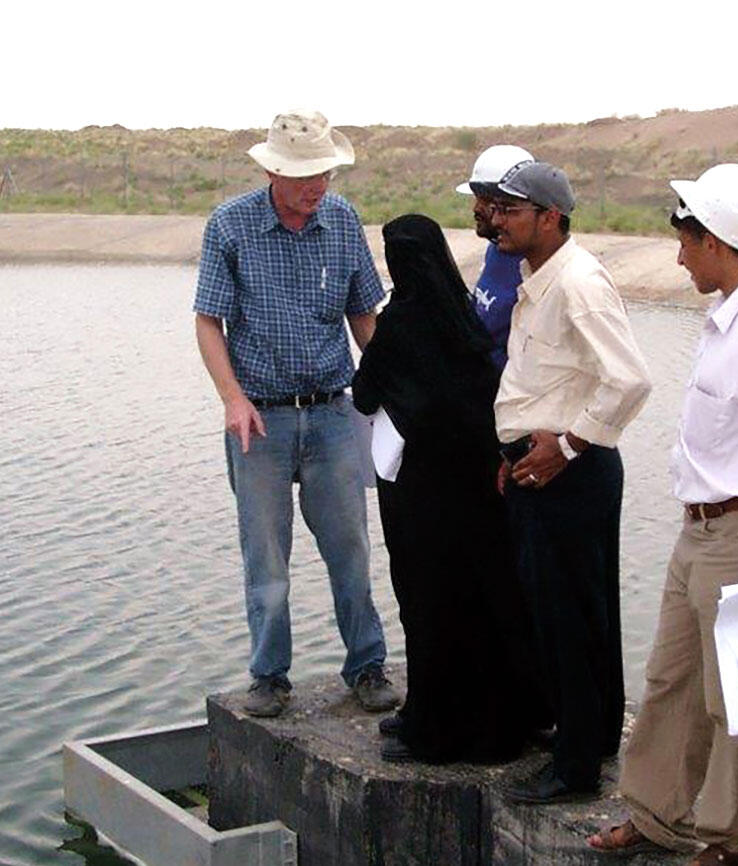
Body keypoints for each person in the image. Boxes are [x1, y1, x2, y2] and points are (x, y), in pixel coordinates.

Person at [588, 164, 738, 866]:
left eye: (687, 240)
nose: (679, 254)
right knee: (671, 681)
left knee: (733, 699)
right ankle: (659, 815)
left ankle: (730, 841)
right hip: (701, 528)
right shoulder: (730, 316)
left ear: (717, 241)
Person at [191, 108, 398, 719]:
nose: (318, 188)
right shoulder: (230, 226)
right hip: (262, 418)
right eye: (306, 176)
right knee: (267, 560)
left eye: (325, 175)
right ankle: (269, 677)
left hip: (333, 412)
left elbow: (365, 314)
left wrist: (393, 387)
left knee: (351, 551)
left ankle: (366, 666)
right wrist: (233, 398)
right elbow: (208, 320)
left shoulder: (341, 220)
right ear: (273, 172)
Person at [487, 161, 653, 804]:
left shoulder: (578, 283)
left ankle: (575, 767)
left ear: (551, 218)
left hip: (570, 474)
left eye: (511, 211)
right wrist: (516, 451)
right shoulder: (541, 278)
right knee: (575, 613)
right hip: (544, 466)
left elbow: (630, 378)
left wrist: (571, 443)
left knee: (568, 620)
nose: (497, 221)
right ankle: (592, 741)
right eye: (496, 209)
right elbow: (541, 384)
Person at [351, 214, 543, 764]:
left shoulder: (399, 325)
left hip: (419, 494)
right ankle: (500, 719)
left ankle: (436, 728)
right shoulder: (465, 319)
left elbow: (365, 396)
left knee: (428, 605)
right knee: (483, 602)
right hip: (477, 492)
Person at [456, 144, 533, 368]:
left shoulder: (535, 266)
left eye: (486, 201)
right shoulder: (496, 250)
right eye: (476, 198)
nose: (476, 208)